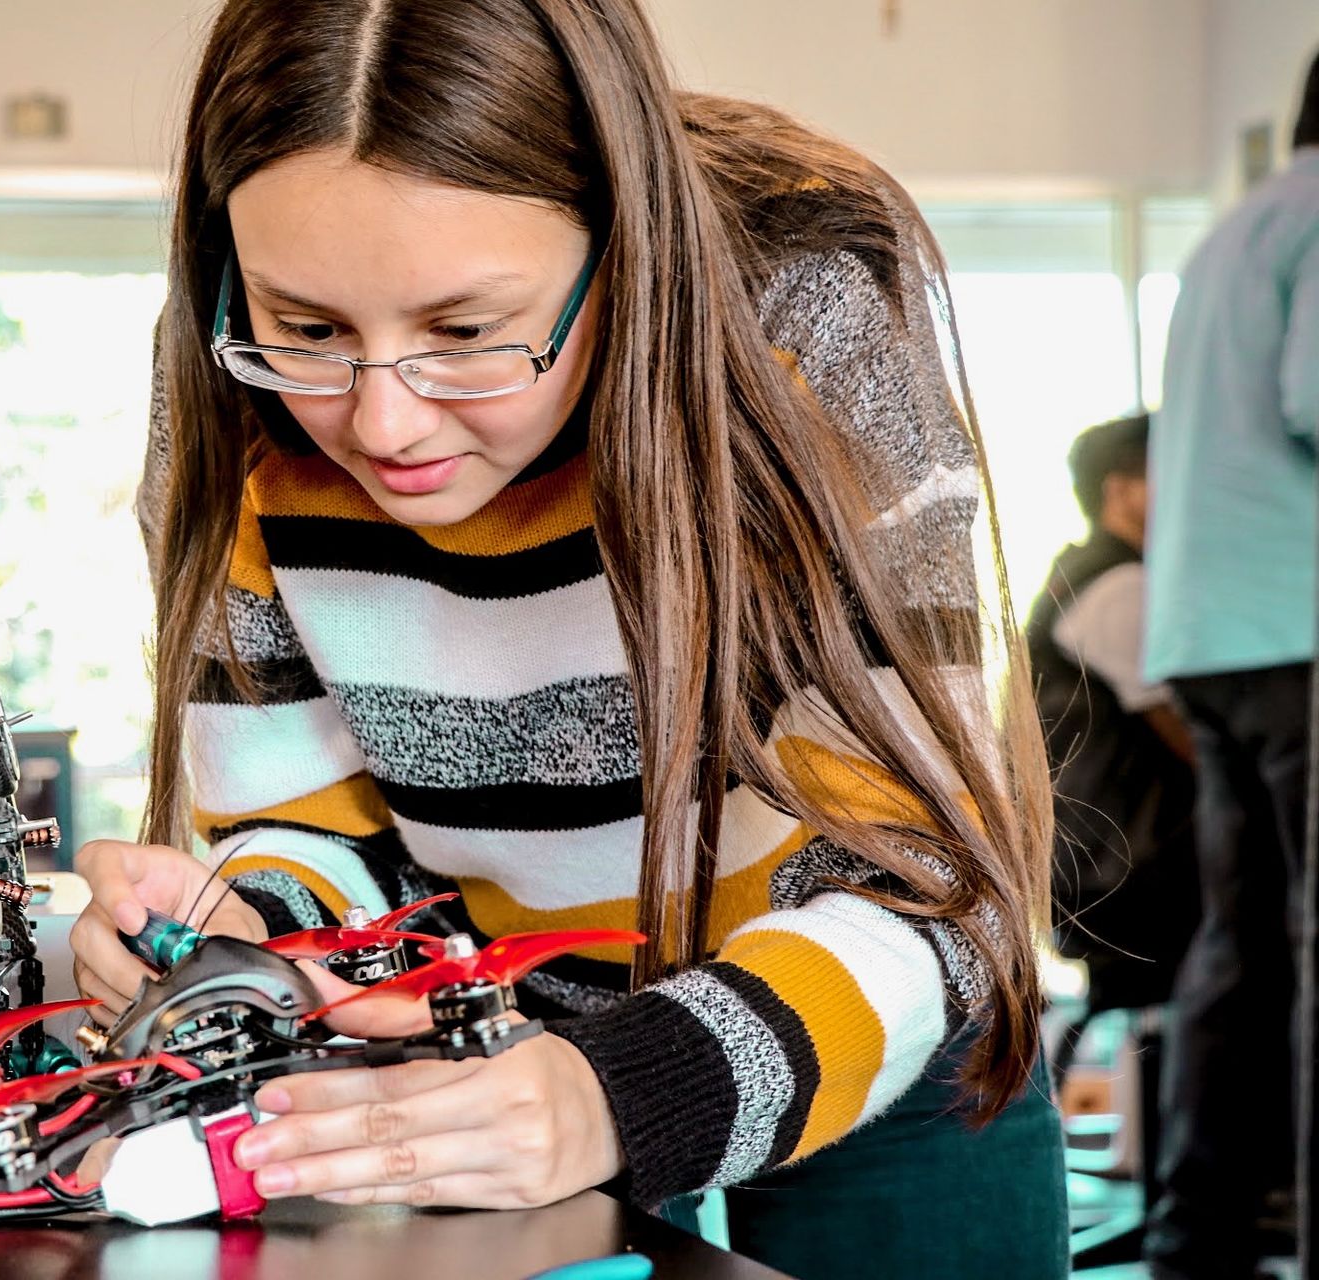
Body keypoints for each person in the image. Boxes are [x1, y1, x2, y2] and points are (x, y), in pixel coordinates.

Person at [69, 3, 1063, 1277]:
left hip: (869, 1017)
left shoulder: (810, 293)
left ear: (622, 243)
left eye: (468, 331)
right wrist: (253, 929)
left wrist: (616, 1093)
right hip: (493, 1052)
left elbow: (923, 874)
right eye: (311, 330)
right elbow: (314, 826)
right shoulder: (229, 366)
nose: (383, 422)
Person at [1140, 50, 1319, 1280]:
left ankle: (1195, 1243)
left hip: (1209, 632)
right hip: (1300, 622)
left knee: (1241, 947)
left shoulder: (1239, 225)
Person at [1027, 414, 1196, 1018]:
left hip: (1101, 860)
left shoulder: (1088, 576)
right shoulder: (1115, 585)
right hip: (1126, 868)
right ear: (1119, 492)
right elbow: (1185, 730)